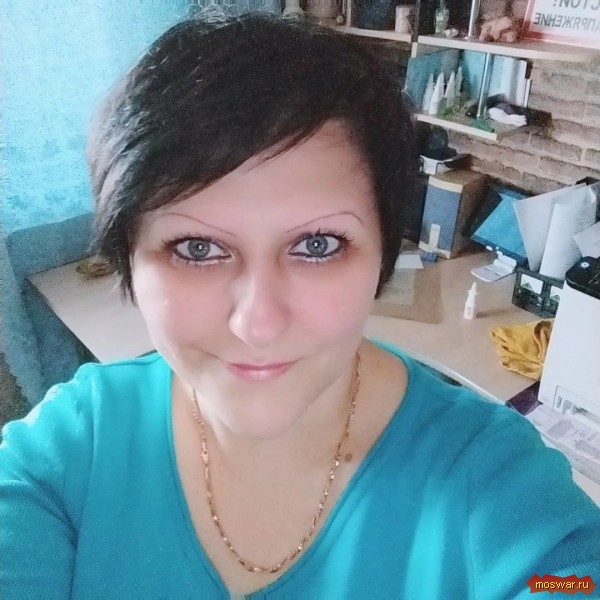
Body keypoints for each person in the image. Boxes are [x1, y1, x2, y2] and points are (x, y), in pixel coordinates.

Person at [1, 14, 598, 599]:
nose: (258, 323)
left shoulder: (492, 483)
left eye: (317, 245)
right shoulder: (66, 454)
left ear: (383, 252)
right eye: (197, 248)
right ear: (128, 260)